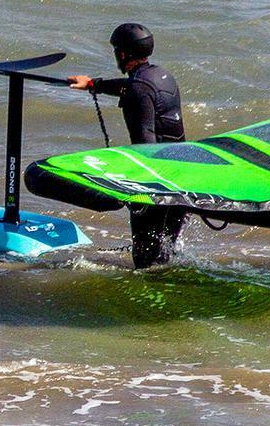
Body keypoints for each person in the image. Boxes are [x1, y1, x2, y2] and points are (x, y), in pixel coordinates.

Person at [68, 23, 186, 268]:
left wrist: (135, 186)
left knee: (145, 262)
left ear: (122, 54)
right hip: (179, 178)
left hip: (155, 184)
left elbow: (145, 142)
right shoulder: (161, 76)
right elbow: (129, 87)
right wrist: (94, 84)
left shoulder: (138, 89)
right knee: (166, 256)